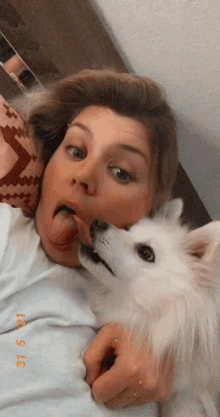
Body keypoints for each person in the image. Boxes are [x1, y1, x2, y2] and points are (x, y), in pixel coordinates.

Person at [5, 67, 178, 414]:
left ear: (151, 211)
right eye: (76, 151)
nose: (84, 177)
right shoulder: (7, 241)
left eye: (121, 172)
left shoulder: (158, 308)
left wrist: (169, 345)